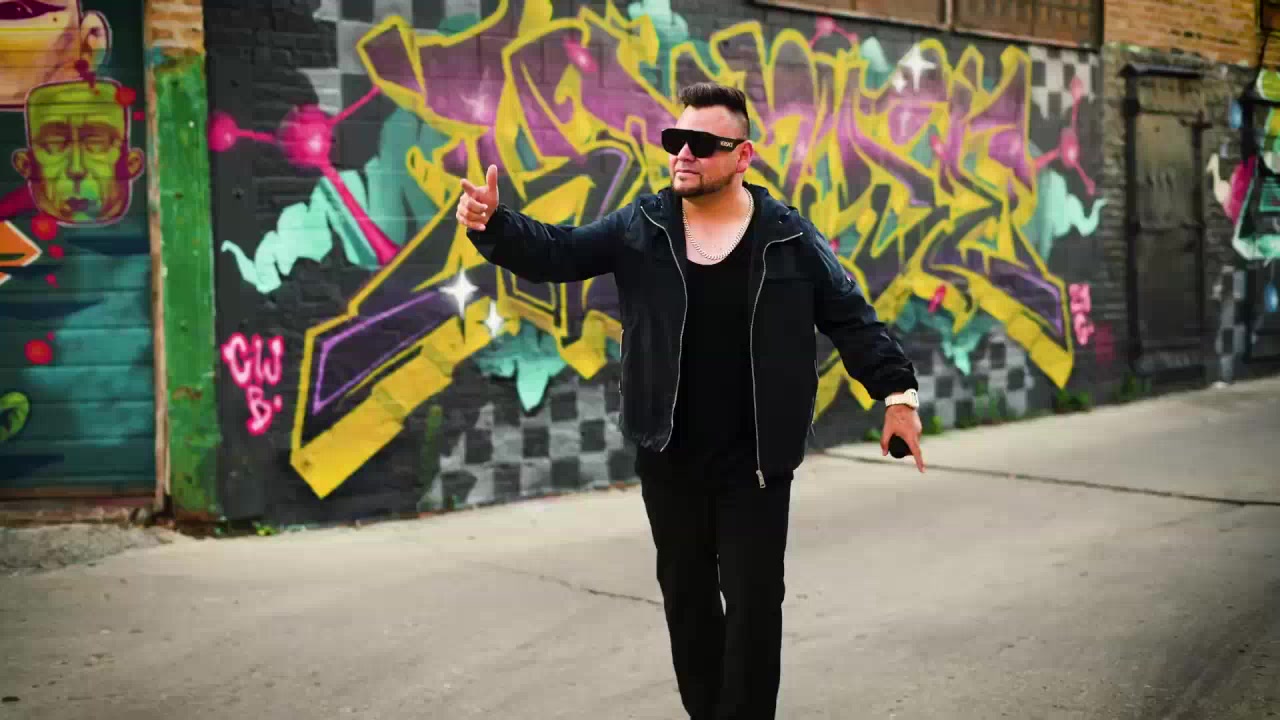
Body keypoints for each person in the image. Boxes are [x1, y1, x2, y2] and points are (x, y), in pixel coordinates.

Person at [457, 81, 925, 720]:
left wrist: (897, 395)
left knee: (754, 606)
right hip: (669, 454)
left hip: (755, 461)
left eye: (701, 144)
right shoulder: (642, 226)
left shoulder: (787, 237)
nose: (682, 153)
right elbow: (559, 253)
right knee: (688, 603)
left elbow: (851, 317)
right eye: (675, 140)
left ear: (742, 156)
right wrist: (495, 225)